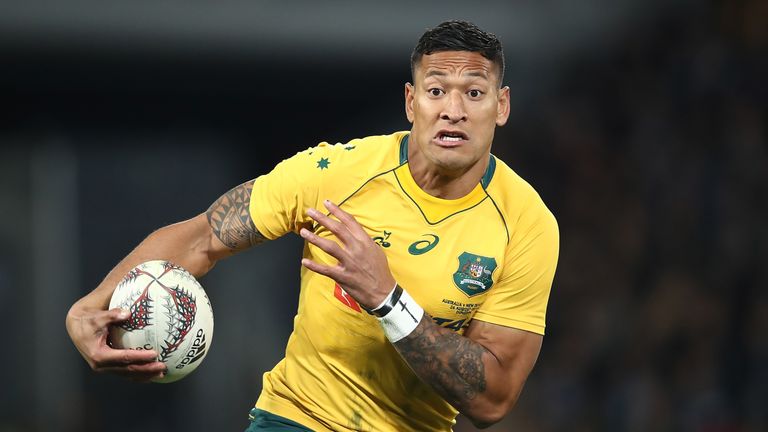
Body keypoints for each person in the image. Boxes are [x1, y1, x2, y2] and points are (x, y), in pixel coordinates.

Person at [66, 20, 559, 431]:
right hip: (295, 418)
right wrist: (91, 304)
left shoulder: (526, 224)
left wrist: (389, 300)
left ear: (502, 106)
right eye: (436, 91)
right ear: (412, 103)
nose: (453, 109)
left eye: (474, 92)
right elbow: (202, 238)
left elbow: (493, 400)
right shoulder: (336, 173)